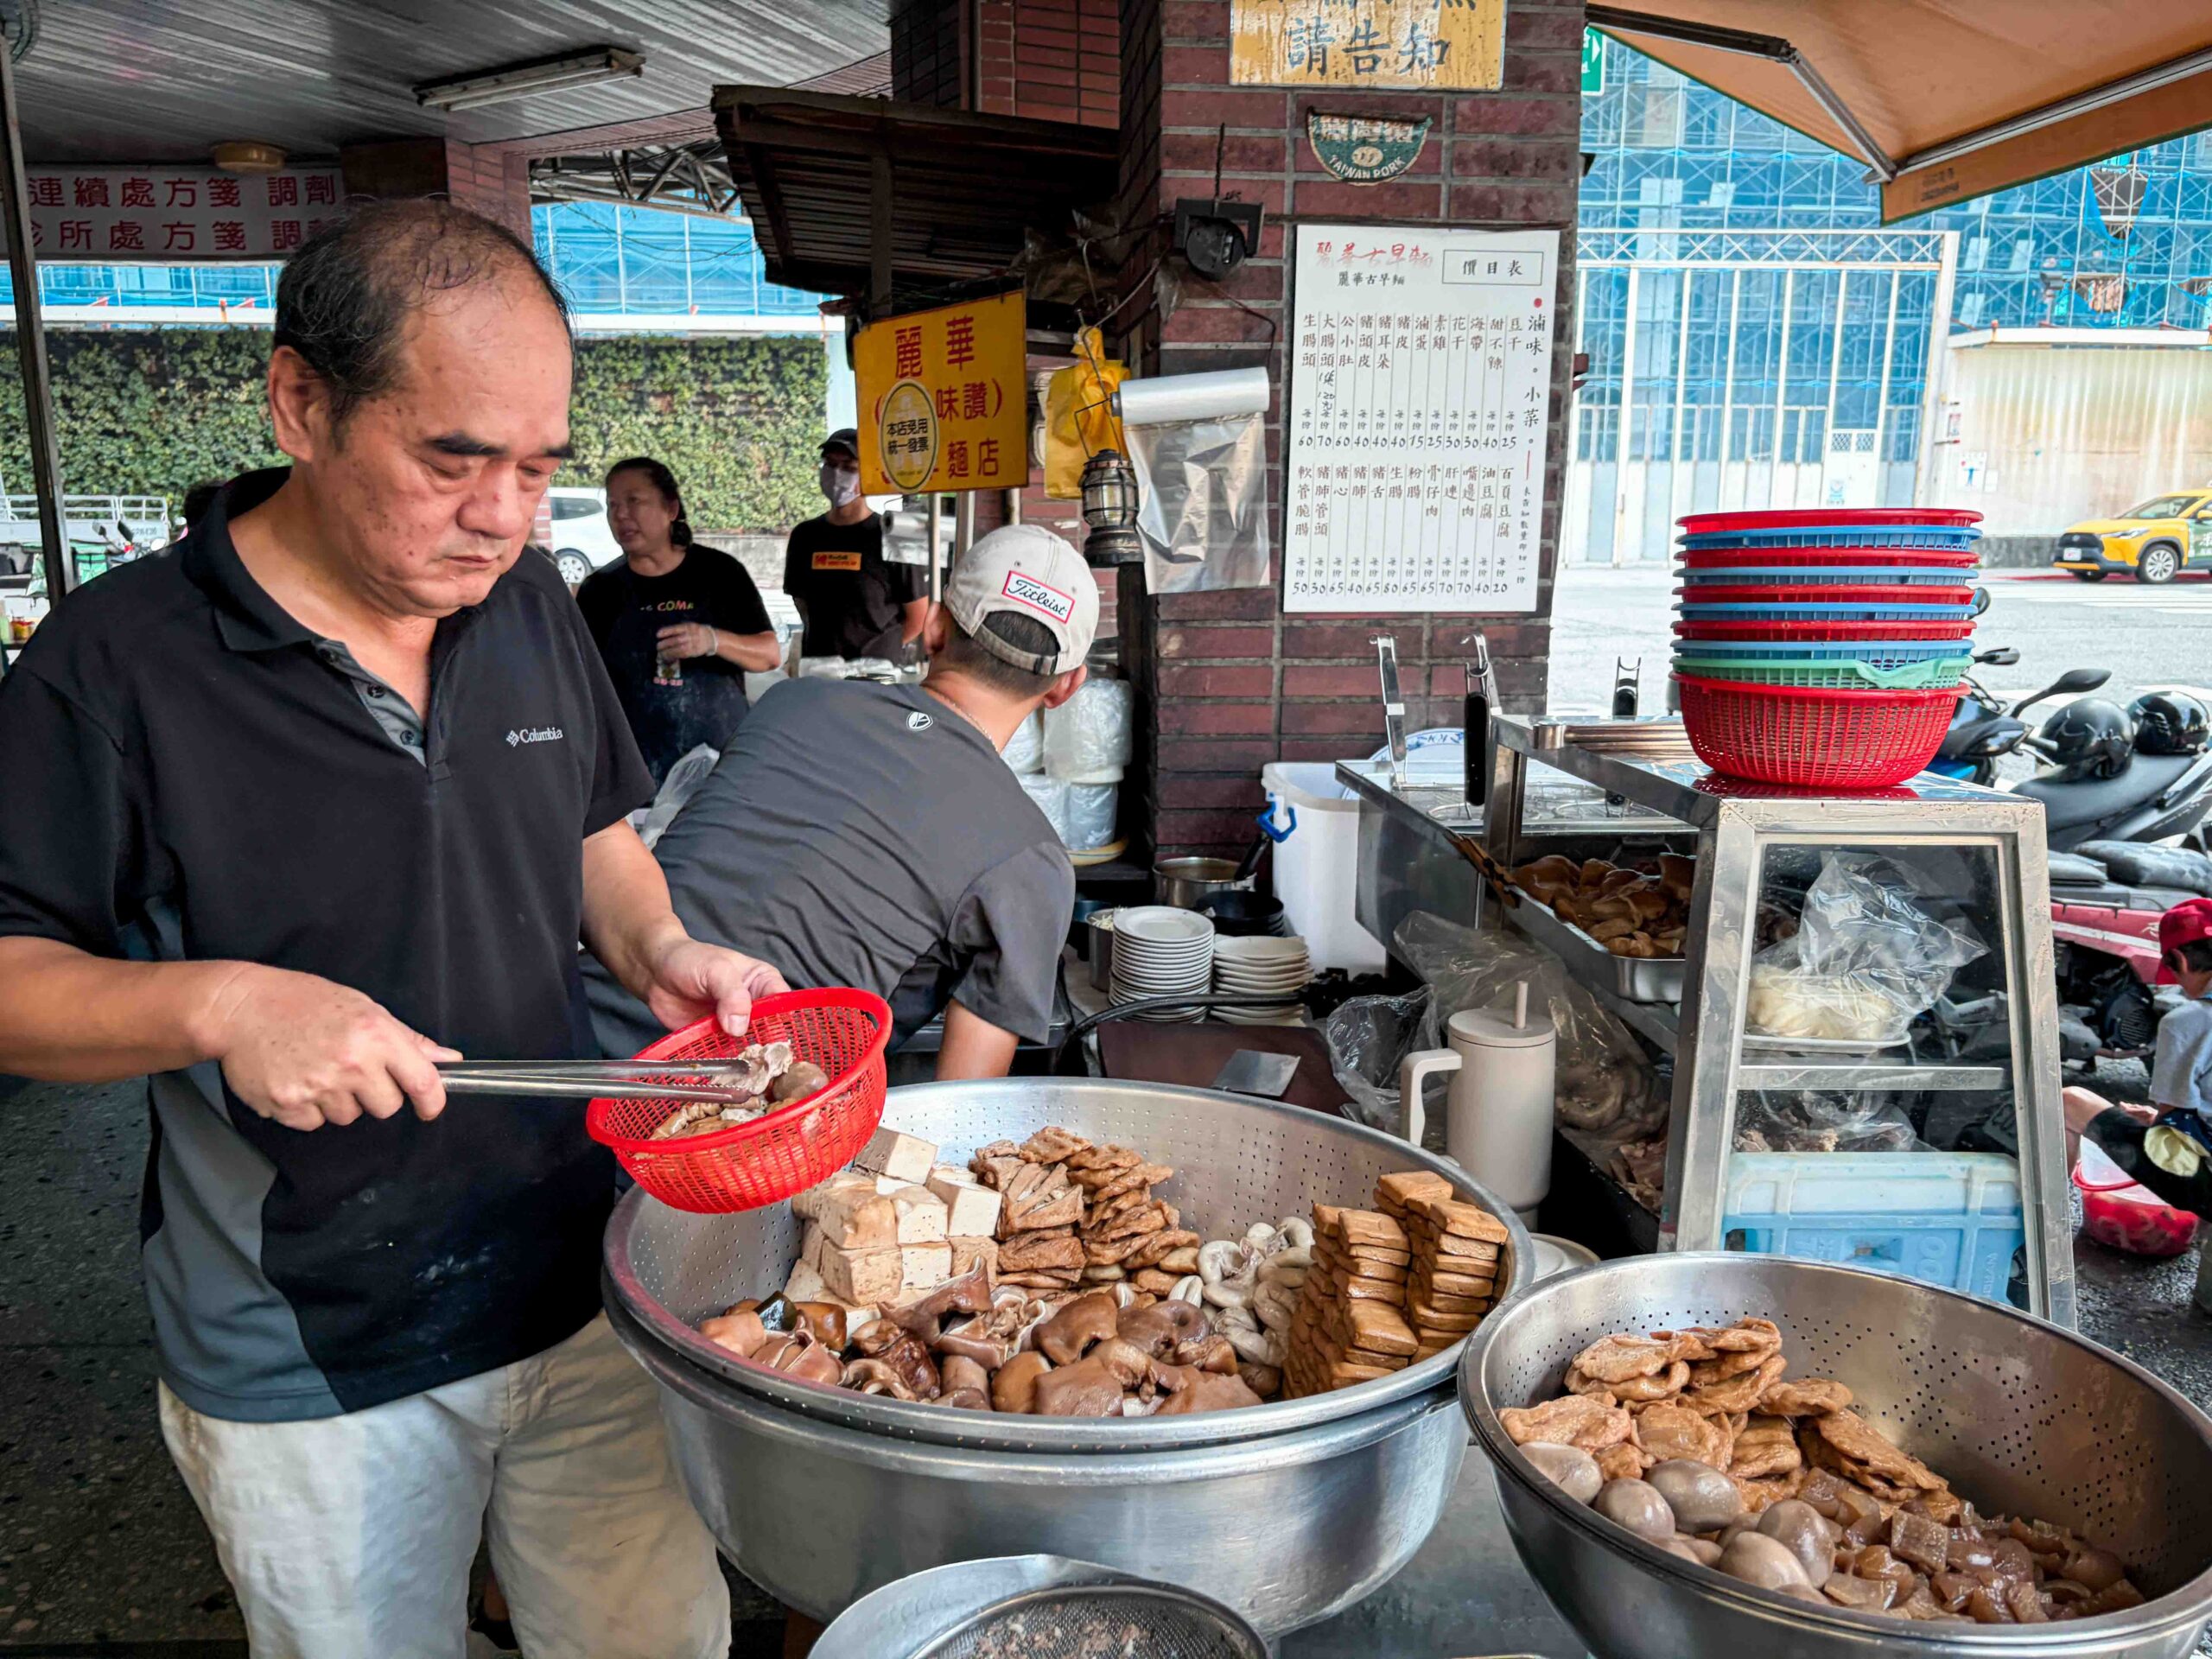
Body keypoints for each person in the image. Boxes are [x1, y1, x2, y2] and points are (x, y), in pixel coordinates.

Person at [0, 200, 785, 1659]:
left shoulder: (529, 600)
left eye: (538, 466)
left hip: (576, 1274)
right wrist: (222, 1008)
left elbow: (593, 836)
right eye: (454, 458)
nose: (504, 511)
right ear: (302, 403)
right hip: (311, 1341)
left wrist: (663, 950)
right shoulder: (113, 667)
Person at [587, 523, 1096, 1079]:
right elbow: (964, 1104)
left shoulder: (792, 700)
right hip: (721, 1141)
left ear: (933, 628)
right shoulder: (1031, 860)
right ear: (1067, 687)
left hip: (556, 1051)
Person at [575, 456, 782, 782]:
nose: (621, 515)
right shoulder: (601, 590)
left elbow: (769, 655)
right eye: (613, 505)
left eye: (634, 501)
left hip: (719, 761)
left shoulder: (720, 573)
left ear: (671, 509)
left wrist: (712, 641)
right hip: (635, 769)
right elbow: (582, 683)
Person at [781, 427, 929, 664]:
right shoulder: (804, 535)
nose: (837, 475)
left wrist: (881, 649)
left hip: (875, 676)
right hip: (820, 671)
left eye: (849, 468)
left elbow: (919, 617)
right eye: (830, 464)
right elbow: (801, 601)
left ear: (870, 476)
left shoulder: (895, 535)